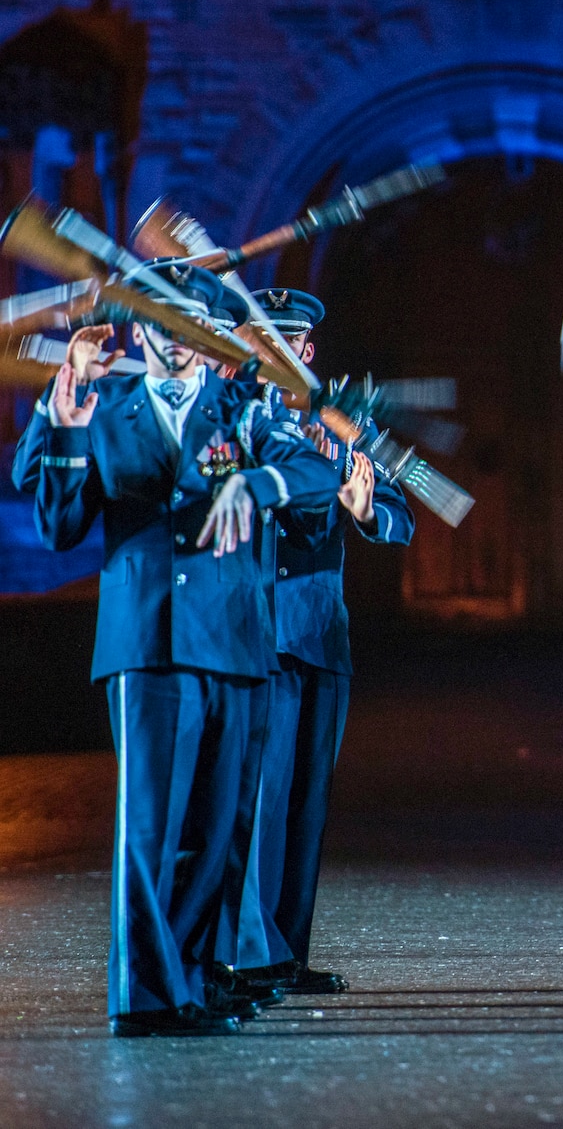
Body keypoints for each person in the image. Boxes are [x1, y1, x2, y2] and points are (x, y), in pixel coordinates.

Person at [15, 263, 341, 1037]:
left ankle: (188, 981)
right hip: (149, 643)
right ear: (140, 332)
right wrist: (62, 412)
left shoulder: (243, 407)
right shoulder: (106, 407)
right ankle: (145, 997)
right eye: (163, 324)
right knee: (149, 831)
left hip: (234, 641)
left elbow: (316, 468)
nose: (180, 340)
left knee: (216, 827)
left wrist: (256, 484)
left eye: (193, 326)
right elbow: (59, 522)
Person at [217, 288, 413, 998]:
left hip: (321, 631)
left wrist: (365, 511)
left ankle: (287, 951)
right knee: (261, 800)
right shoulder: (238, 417)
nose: (285, 354)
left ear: (305, 352)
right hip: (260, 630)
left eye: (293, 344)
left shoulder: (338, 424)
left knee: (306, 802)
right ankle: (251, 951)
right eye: (268, 343)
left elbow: (397, 511)